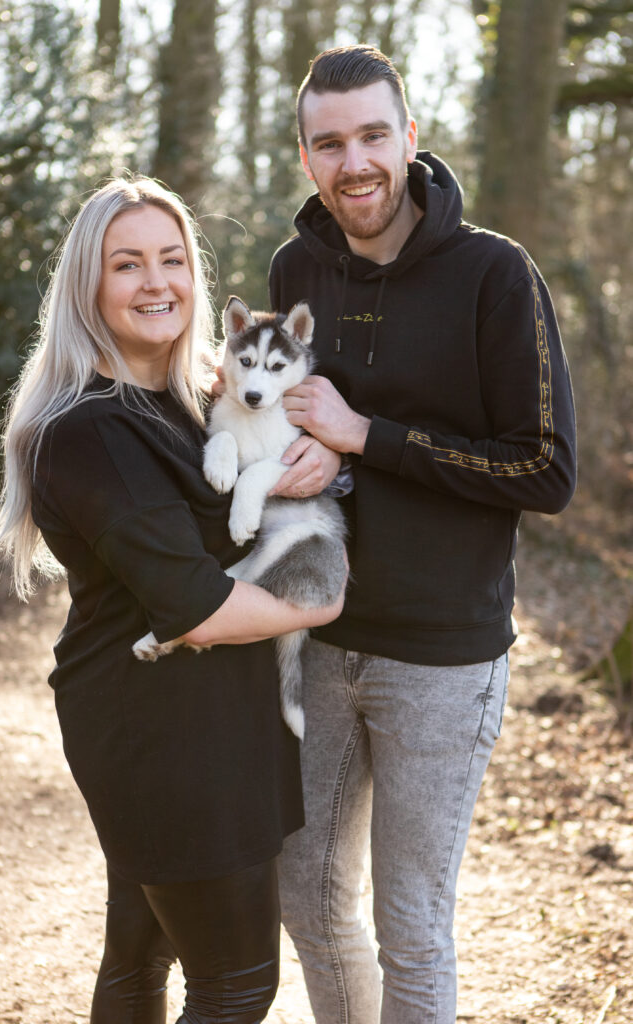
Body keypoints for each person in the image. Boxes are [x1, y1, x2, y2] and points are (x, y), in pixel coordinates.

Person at [0, 175, 347, 1024]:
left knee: (139, 961)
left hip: (201, 720)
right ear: (89, 288)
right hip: (165, 736)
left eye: (172, 260)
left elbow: (286, 477)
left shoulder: (187, 406)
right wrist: (319, 604)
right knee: (236, 985)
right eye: (127, 264)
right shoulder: (89, 427)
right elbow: (198, 607)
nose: (156, 282)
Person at [266, 45, 577, 1024]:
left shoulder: (493, 273)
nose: (351, 161)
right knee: (309, 898)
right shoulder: (293, 268)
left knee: (409, 924)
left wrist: (367, 438)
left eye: (369, 135)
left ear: (408, 136)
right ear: (306, 156)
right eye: (328, 142)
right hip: (317, 634)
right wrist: (303, 452)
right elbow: (286, 421)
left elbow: (542, 468)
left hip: (441, 656)